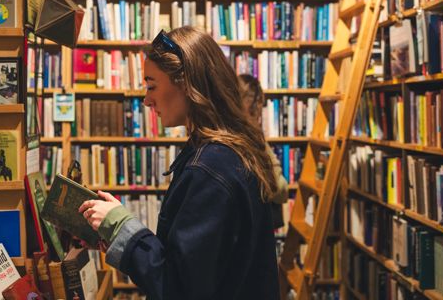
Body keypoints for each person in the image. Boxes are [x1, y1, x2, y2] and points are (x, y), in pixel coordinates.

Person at [78, 26, 281, 299]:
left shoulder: (210, 169)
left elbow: (178, 287)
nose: (146, 99)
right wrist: (119, 233)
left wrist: (121, 227)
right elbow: (195, 263)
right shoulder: (229, 150)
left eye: (151, 85)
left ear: (186, 84)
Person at [238, 74, 289, 229]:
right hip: (255, 223)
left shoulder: (226, 131)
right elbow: (279, 189)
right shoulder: (251, 136)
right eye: (260, 104)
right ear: (254, 104)